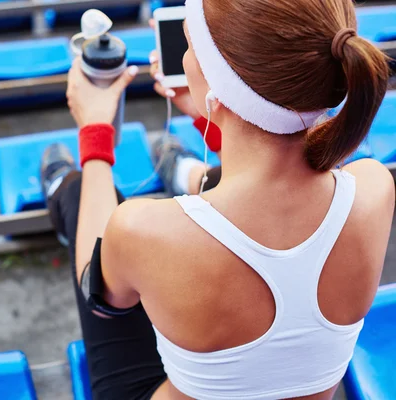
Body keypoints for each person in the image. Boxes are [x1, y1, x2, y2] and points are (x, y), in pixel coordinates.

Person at [41, 0, 394, 398]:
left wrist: (95, 132)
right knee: (228, 182)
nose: (184, 57)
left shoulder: (142, 229)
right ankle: (187, 173)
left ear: (215, 83)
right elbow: (282, 166)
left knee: (82, 196)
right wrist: (219, 114)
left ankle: (61, 184)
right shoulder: (373, 188)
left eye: (189, 45)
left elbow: (102, 299)